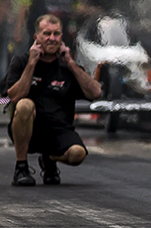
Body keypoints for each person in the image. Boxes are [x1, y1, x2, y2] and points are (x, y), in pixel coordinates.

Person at [3, 15, 102, 186]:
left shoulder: (67, 67)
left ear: (62, 38)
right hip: (29, 130)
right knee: (25, 104)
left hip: (58, 130)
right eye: (46, 33)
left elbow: (95, 93)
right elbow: (15, 96)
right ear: (36, 38)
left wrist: (70, 62)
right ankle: (21, 167)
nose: (51, 38)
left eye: (56, 34)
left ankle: (49, 159)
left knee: (78, 154)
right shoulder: (21, 62)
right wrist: (32, 64)